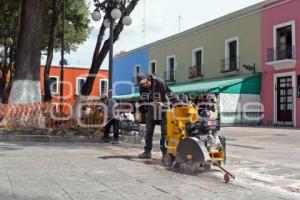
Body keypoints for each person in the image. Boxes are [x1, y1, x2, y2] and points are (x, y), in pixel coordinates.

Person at [137, 72, 174, 159]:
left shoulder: (159, 82)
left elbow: (169, 93)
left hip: (164, 106)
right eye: (143, 84)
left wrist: (178, 102)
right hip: (152, 107)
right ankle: (147, 152)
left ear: (149, 79)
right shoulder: (141, 87)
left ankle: (165, 154)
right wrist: (151, 102)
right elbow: (143, 98)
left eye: (146, 83)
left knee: (165, 132)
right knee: (148, 131)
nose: (145, 85)